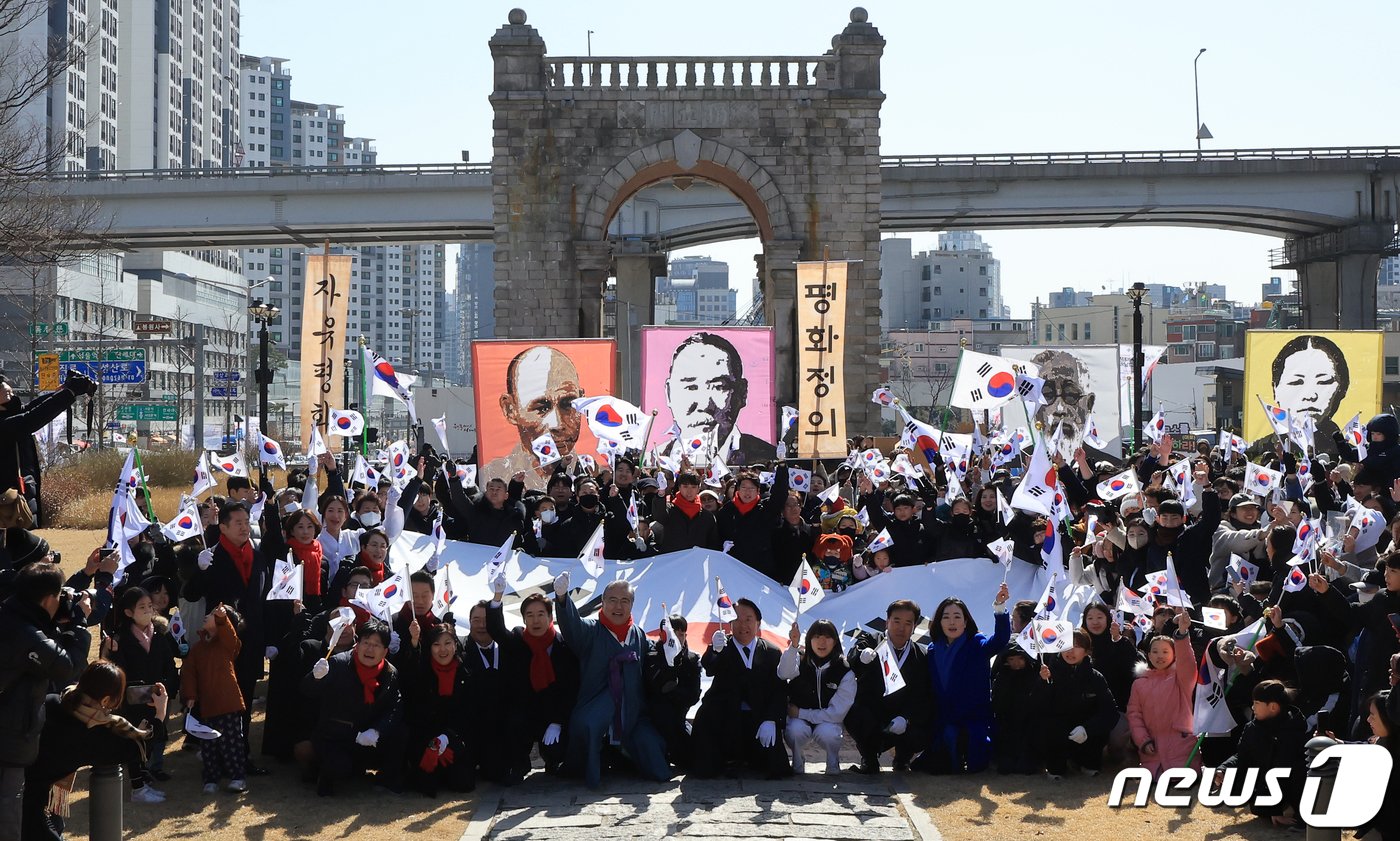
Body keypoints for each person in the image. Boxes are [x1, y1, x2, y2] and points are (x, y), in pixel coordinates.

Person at [551, 573, 670, 788]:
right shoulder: (591, 630)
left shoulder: (638, 634)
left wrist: (673, 649)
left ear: (632, 605)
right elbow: (571, 625)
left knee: (653, 751)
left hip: (632, 710)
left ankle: (628, 761)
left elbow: (656, 655)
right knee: (587, 726)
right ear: (603, 602)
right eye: (612, 600)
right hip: (595, 704)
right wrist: (562, 598)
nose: (618, 606)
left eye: (625, 601)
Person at [23, 662, 167, 839]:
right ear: (106, 700)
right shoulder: (89, 735)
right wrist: (160, 713)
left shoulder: (53, 700)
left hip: (15, 784)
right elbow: (133, 750)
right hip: (29, 804)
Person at [0, 562, 90, 839]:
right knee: (8, 820)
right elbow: (67, 666)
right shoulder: (26, 634)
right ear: (49, 598)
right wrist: (80, 623)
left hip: (10, 732)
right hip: (9, 740)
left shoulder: (9, 613)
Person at [303, 618, 407, 795]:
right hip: (336, 737)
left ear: (385, 651)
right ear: (357, 645)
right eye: (366, 643)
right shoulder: (337, 664)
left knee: (401, 733)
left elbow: (395, 708)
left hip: (368, 736)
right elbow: (307, 691)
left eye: (376, 645)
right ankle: (325, 774)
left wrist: (376, 731)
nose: (370, 649)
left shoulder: (390, 673)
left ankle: (386, 781)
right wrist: (315, 677)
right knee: (340, 768)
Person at [486, 585, 580, 778]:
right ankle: (520, 765)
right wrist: (497, 597)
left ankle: (554, 761)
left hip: (554, 713)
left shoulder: (564, 645)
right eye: (530, 615)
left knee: (557, 747)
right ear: (524, 619)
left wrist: (558, 721)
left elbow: (570, 689)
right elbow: (496, 630)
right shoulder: (518, 640)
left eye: (540, 614)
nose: (535, 620)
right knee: (513, 724)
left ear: (550, 617)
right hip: (525, 711)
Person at [691, 598, 790, 779]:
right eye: (736, 619)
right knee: (706, 768)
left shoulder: (771, 652)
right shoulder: (722, 646)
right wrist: (715, 650)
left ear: (758, 623)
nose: (742, 625)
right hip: (725, 716)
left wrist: (771, 719)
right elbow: (710, 667)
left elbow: (778, 690)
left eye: (748, 619)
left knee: (776, 767)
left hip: (758, 718)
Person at [924, 584, 1012, 774]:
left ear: (965, 622)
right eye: (946, 617)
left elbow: (1000, 639)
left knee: (978, 758)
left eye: (957, 617)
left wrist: (999, 607)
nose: (952, 622)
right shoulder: (932, 650)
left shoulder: (977, 644)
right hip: (946, 716)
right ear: (939, 622)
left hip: (974, 716)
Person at [658, 333, 776, 466]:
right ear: (669, 393)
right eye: (690, 387)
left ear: (742, 393)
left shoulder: (768, 457)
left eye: (719, 387)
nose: (705, 404)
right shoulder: (653, 459)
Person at [845, 599, 936, 774]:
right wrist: (860, 657)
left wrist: (907, 718)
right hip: (872, 712)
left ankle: (902, 759)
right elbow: (852, 660)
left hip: (902, 717)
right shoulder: (871, 640)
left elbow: (922, 695)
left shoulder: (921, 655)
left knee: (925, 725)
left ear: (914, 626)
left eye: (907, 623)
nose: (901, 628)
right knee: (854, 713)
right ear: (887, 621)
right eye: (896, 621)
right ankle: (868, 758)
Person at [103, 587, 180, 782]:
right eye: (141, 607)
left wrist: (166, 688)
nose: (148, 611)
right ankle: (138, 776)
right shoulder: (121, 639)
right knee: (135, 737)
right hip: (132, 700)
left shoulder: (161, 636)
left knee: (159, 733)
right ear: (129, 612)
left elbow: (170, 667)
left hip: (158, 696)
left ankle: (156, 767)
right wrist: (112, 651)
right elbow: (116, 670)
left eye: (149, 606)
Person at [0, 371, 96, 525]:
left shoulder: (9, 414)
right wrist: (69, 393)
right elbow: (31, 419)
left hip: (12, 504)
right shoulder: (5, 424)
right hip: (6, 508)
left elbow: (31, 409)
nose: (8, 390)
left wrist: (66, 389)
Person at [486, 346, 585, 489]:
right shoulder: (492, 475)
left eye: (568, 404)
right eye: (542, 408)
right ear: (510, 409)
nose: (557, 424)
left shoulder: (596, 473)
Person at [1213, 680, 1308, 827]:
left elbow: (1284, 770)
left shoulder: (1293, 730)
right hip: (1264, 785)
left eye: (1257, 703)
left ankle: (1296, 811)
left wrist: (1273, 807)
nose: (1252, 707)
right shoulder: (1252, 729)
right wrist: (1224, 769)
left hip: (1291, 785)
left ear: (1273, 707)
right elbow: (1243, 756)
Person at [402, 621, 476, 797]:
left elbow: (468, 713)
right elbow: (415, 708)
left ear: (455, 645)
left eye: (447, 643)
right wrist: (433, 743)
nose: (442, 650)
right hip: (427, 737)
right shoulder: (423, 670)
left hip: (455, 736)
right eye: (436, 644)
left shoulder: (465, 670)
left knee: (463, 783)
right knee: (427, 785)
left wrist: (447, 738)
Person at [180, 603, 249, 794]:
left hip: (229, 703)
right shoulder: (197, 648)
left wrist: (221, 618)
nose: (207, 616)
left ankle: (237, 777)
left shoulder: (227, 645)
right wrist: (191, 696)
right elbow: (189, 673)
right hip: (207, 705)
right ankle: (211, 778)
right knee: (208, 746)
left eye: (212, 615)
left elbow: (230, 635)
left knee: (232, 743)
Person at [1034, 629, 1120, 779]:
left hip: (1086, 732)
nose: (1071, 651)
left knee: (1092, 757)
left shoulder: (1095, 677)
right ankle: (1056, 766)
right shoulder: (1048, 674)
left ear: (1087, 651)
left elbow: (1111, 713)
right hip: (1058, 732)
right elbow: (1037, 706)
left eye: (1077, 646)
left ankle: (1086, 762)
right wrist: (1042, 683)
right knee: (1050, 732)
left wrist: (1088, 729)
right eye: (1066, 646)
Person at [1126, 608, 1197, 777]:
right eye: (1155, 652)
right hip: (1153, 757)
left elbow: (1187, 660)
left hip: (1182, 752)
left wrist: (1182, 633)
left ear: (1174, 655)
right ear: (1148, 655)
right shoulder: (1139, 684)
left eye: (1166, 652)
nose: (1160, 656)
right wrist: (1143, 740)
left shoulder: (1181, 678)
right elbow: (1134, 716)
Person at [780, 619, 856, 775]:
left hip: (827, 721)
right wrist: (793, 646)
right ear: (809, 640)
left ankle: (833, 761)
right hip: (799, 720)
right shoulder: (799, 659)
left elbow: (837, 713)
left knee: (829, 733)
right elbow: (783, 673)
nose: (822, 642)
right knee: (794, 730)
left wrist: (801, 713)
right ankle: (797, 759)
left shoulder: (844, 670)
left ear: (835, 641)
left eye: (827, 637)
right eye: (816, 637)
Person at [1255, 334, 1350, 457]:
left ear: (1342, 389)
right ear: (1275, 389)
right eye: (1296, 382)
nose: (1310, 395)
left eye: (1324, 382)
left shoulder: (1354, 456)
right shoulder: (1256, 451)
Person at [642, 612, 701, 771]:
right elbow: (655, 689)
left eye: (682, 634)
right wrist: (669, 669)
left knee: (697, 761)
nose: (679, 639)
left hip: (679, 720)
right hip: (655, 722)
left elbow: (693, 695)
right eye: (674, 634)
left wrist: (672, 691)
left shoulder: (692, 659)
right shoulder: (651, 657)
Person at [657, 472, 720, 553]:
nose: (689, 491)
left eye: (693, 487)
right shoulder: (670, 510)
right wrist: (661, 493)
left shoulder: (707, 517)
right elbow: (659, 515)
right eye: (685, 486)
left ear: (698, 489)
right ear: (679, 487)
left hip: (697, 562)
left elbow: (713, 544)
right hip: (673, 562)